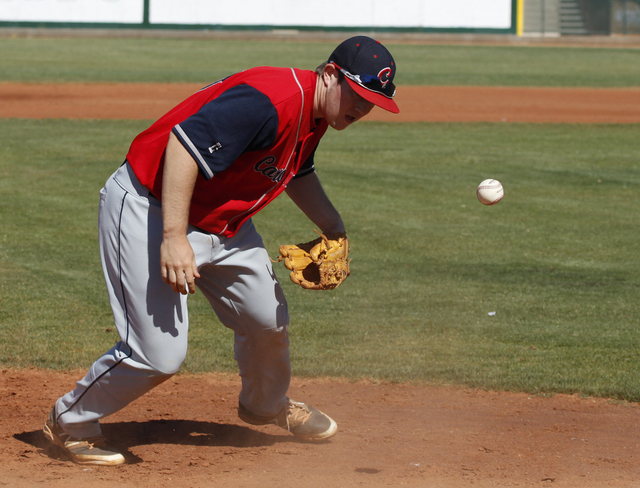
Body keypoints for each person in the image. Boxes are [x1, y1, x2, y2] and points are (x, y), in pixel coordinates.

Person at [43, 35, 399, 466]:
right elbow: (182, 146)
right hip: (150, 206)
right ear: (329, 74)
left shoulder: (317, 112)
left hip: (222, 222)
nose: (361, 108)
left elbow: (296, 169)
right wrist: (173, 237)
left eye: (371, 102)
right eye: (357, 95)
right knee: (158, 355)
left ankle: (265, 405)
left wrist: (334, 228)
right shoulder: (270, 99)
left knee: (267, 320)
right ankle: (71, 419)